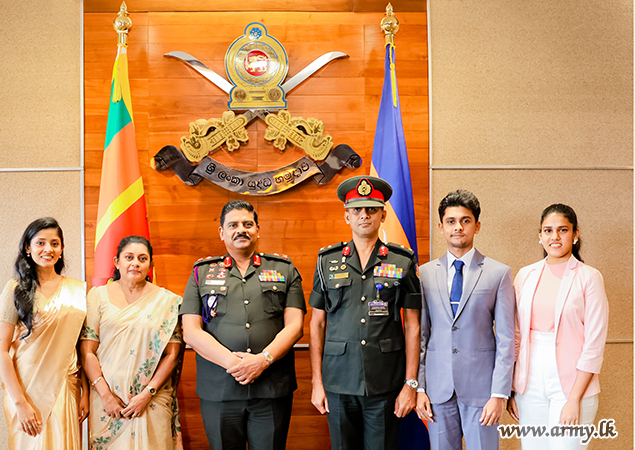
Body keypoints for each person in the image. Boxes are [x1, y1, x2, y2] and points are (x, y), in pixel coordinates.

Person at [181, 200, 306, 450]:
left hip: (271, 387)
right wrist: (235, 364)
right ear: (222, 232)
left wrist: (262, 361)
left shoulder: (284, 269)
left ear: (258, 229)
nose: (241, 230)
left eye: (248, 224)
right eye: (233, 225)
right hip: (220, 389)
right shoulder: (201, 273)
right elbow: (191, 332)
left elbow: (295, 326)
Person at [309, 175, 422, 450]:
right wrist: (317, 382)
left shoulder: (402, 260)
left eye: (372, 209)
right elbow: (317, 324)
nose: (364, 215)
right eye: (357, 209)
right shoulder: (326, 261)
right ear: (346, 216)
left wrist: (410, 384)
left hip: (385, 382)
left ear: (383, 215)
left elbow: (413, 325)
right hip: (338, 382)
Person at [416, 189, 515, 450]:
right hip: (437, 390)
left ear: (477, 226)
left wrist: (499, 394)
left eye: (465, 220)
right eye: (451, 221)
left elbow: (506, 339)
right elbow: (421, 337)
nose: (458, 227)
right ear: (441, 227)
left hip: (482, 392)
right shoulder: (424, 274)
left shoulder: (499, 273)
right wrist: (420, 388)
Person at [507, 204, 608, 449]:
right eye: (548, 230)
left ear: (575, 234)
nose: (555, 237)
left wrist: (574, 399)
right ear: (540, 235)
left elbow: (594, 345)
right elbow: (516, 335)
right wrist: (512, 388)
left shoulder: (589, 277)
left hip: (572, 384)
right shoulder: (525, 275)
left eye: (563, 230)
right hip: (528, 383)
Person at [80, 235, 183, 449]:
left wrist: (147, 394)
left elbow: (172, 355)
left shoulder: (168, 302)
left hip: (152, 400)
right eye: (129, 257)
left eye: (142, 258)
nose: (135, 263)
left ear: (150, 264)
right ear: (117, 262)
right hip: (108, 402)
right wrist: (106, 396)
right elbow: (87, 351)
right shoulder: (97, 296)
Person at [0, 217, 88, 450]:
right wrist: (20, 403)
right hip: (25, 390)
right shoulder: (14, 289)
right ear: (28, 248)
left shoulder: (78, 291)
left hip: (64, 387)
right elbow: (1, 351)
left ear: (62, 248)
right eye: (40, 243)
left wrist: (85, 392)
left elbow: (80, 347)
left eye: (55, 243)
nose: (48, 249)